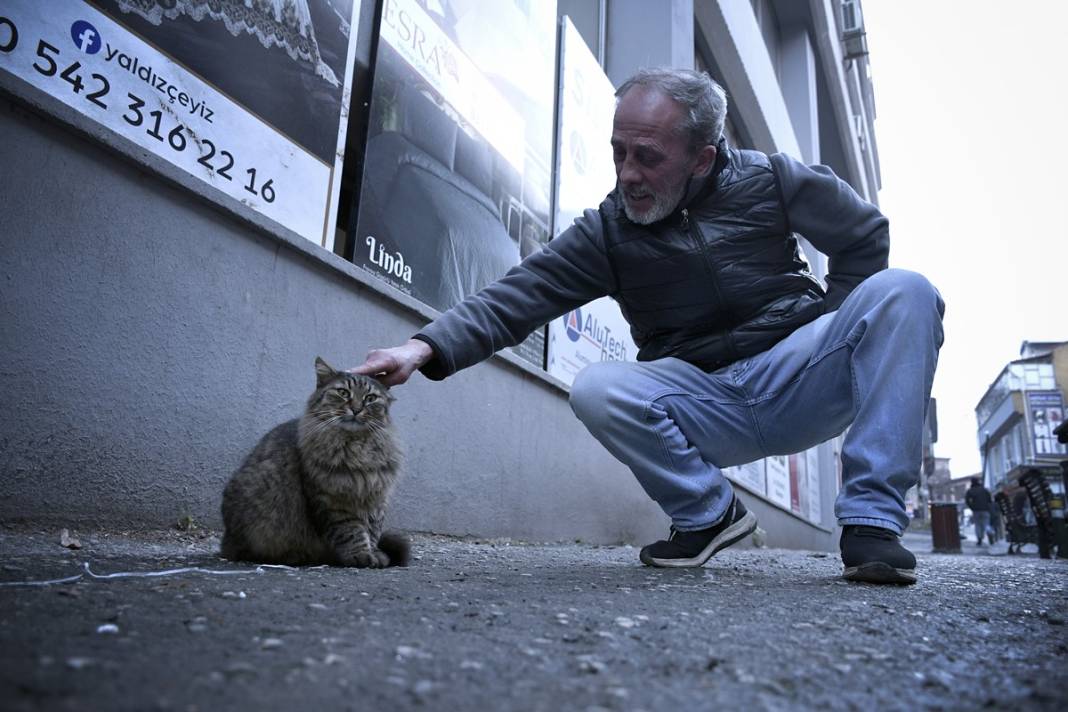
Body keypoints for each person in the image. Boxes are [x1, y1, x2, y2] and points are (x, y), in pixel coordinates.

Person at [351, 68, 944, 586]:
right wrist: (422, 346)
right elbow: (517, 297)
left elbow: (864, 237)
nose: (628, 174)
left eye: (648, 157)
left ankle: (871, 524)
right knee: (597, 386)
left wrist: (832, 319)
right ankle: (709, 516)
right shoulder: (608, 233)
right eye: (618, 153)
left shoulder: (773, 180)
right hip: (706, 401)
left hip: (801, 372)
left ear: (702, 157)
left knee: (907, 291)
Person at [965, 477, 994, 545]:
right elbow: (989, 499)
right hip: (985, 510)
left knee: (978, 525)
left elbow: (967, 501)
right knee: (986, 524)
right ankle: (990, 536)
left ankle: (979, 539)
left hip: (976, 511)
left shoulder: (970, 491)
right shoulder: (984, 490)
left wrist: (972, 507)